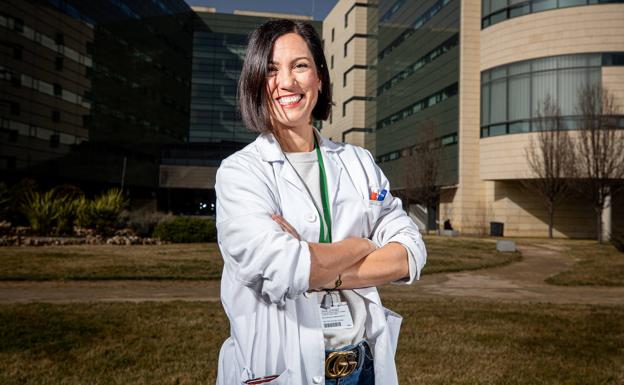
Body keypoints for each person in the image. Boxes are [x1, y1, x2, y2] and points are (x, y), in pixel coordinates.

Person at [215, 19, 426, 385]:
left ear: (319, 78)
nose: (287, 82)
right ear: (255, 82)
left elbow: (410, 252)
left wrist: (322, 268)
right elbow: (281, 267)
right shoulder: (240, 173)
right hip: (282, 372)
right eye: (270, 70)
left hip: (363, 368)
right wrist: (360, 245)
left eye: (300, 66)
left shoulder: (358, 162)